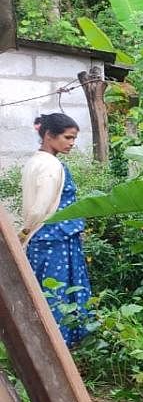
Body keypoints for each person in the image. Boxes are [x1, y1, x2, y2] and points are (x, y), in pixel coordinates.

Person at [20, 113, 92, 347]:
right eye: (67, 137)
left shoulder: (34, 161)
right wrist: (25, 230)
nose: (71, 143)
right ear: (49, 135)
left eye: (74, 139)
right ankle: (59, 346)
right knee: (59, 293)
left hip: (46, 238)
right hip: (55, 238)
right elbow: (40, 206)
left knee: (43, 291)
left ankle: (45, 344)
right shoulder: (51, 165)